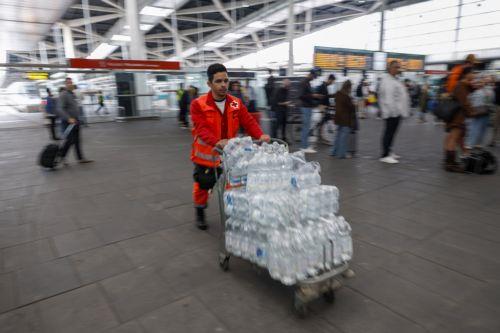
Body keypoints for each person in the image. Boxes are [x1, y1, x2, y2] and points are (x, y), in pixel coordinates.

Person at [190, 63, 270, 230]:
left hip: (229, 154)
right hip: (207, 155)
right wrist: (216, 142)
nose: (223, 85)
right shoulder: (199, 104)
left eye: (226, 81)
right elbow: (201, 128)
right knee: (203, 185)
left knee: (232, 185)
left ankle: (232, 213)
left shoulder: (235, 103)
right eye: (218, 81)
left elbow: (248, 120)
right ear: (209, 84)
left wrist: (260, 135)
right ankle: (200, 210)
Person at [377, 60, 410, 164]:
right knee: (388, 133)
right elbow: (388, 98)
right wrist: (393, 112)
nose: (398, 69)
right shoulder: (387, 81)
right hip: (392, 112)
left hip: (396, 112)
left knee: (392, 133)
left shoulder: (394, 79)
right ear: (390, 68)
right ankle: (385, 155)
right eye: (396, 67)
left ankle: (389, 151)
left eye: (398, 67)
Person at [444, 67, 476, 172]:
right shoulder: (461, 86)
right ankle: (450, 164)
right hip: (457, 117)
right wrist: (472, 112)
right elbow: (464, 102)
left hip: (456, 116)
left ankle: (449, 162)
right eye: (472, 73)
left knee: (451, 138)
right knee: (453, 139)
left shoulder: (462, 85)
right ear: (466, 74)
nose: (474, 75)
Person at [56, 78, 93, 165]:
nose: (71, 84)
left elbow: (73, 107)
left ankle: (80, 158)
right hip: (68, 122)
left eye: (71, 82)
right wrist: (68, 118)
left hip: (75, 121)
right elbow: (60, 109)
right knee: (70, 140)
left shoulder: (72, 94)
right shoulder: (63, 94)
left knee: (77, 140)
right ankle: (61, 156)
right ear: (65, 84)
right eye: (68, 83)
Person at [331, 80, 356, 159]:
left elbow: (335, 101)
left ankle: (333, 152)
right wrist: (354, 104)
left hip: (338, 118)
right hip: (345, 119)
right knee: (343, 138)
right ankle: (341, 154)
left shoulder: (338, 94)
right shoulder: (347, 97)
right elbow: (351, 108)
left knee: (337, 136)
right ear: (348, 87)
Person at [299, 69, 322, 153]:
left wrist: (314, 97)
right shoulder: (304, 82)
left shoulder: (307, 82)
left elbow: (305, 95)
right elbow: (301, 96)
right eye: (314, 76)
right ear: (311, 74)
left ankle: (305, 145)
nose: (314, 78)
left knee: (306, 127)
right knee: (306, 127)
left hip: (307, 107)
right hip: (305, 107)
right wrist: (313, 95)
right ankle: (304, 147)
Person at [467, 76, 493, 148]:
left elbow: (470, 101)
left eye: (478, 82)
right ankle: (479, 143)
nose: (475, 84)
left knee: (474, 128)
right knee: (482, 129)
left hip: (477, 112)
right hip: (486, 112)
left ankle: (470, 144)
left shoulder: (476, 92)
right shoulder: (489, 91)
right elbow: (490, 101)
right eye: (475, 82)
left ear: (481, 84)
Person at [489, 76, 500, 147]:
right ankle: (495, 141)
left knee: (496, 126)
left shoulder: (495, 89)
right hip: (497, 107)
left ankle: (493, 141)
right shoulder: (495, 89)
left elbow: (492, 100)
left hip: (497, 107)